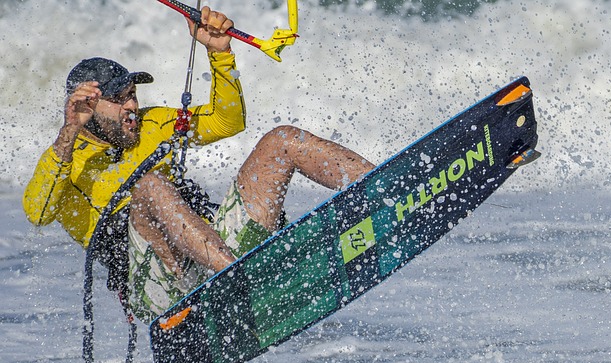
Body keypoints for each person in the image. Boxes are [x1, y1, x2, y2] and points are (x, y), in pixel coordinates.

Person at [23, 7, 375, 323]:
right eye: (117, 100)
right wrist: (70, 131)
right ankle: (240, 280)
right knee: (149, 186)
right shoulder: (65, 159)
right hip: (160, 288)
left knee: (282, 140)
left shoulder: (153, 123)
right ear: (86, 110)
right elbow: (38, 213)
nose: (131, 106)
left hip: (215, 252)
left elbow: (226, 123)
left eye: (131, 93)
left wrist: (220, 55)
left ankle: (384, 188)